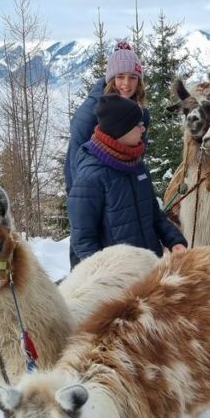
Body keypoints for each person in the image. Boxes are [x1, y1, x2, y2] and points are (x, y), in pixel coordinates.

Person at [67, 94, 187, 261]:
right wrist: (105, 272)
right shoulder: (91, 177)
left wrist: (174, 241)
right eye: (139, 125)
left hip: (150, 265)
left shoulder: (137, 165)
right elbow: (83, 239)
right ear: (121, 129)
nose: (143, 129)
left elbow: (153, 213)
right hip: (118, 272)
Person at [64, 40, 150, 268]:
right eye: (120, 77)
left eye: (132, 77)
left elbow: (137, 154)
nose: (126, 84)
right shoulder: (90, 114)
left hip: (121, 189)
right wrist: (84, 201)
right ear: (110, 79)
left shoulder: (140, 113)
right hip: (89, 191)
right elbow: (77, 162)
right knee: (89, 253)